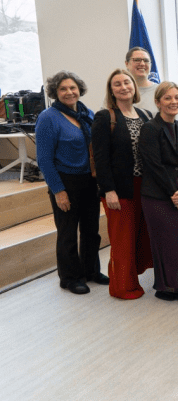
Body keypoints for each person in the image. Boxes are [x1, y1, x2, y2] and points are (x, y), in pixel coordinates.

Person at [36, 71, 106, 295]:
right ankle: (70, 277)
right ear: (55, 93)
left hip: (89, 180)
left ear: (80, 90)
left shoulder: (88, 114)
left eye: (72, 88)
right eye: (63, 89)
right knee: (67, 233)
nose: (69, 92)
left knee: (91, 230)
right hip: (65, 181)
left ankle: (91, 271)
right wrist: (58, 191)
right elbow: (44, 159)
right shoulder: (48, 118)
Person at [91, 69, 154, 299]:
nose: (123, 87)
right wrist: (108, 190)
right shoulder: (105, 117)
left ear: (134, 86)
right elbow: (101, 158)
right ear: (111, 90)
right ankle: (122, 287)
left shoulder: (145, 115)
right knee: (122, 239)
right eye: (117, 84)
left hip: (144, 187)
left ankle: (131, 278)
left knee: (138, 236)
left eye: (126, 82)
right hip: (119, 189)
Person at [139, 82, 178, 304]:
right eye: (168, 98)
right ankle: (169, 287)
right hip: (158, 196)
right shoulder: (150, 129)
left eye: (177, 97)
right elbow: (154, 166)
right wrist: (175, 194)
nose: (174, 102)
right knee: (166, 242)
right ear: (157, 102)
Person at [126, 47, 158, 113]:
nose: (142, 64)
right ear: (127, 64)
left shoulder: (161, 91)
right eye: (137, 60)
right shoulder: (118, 91)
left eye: (146, 60)